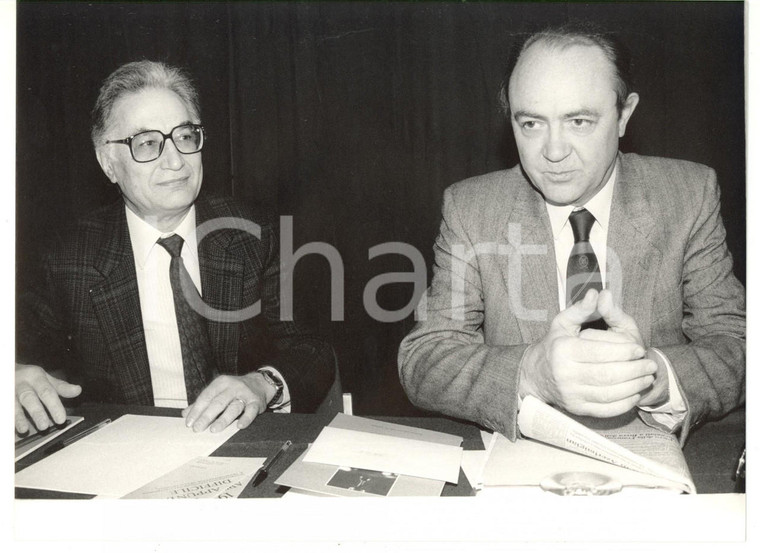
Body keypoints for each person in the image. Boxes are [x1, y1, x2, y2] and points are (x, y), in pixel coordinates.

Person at [398, 23, 745, 445]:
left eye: (578, 121)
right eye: (531, 124)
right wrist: (532, 372)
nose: (554, 151)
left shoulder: (687, 195)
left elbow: (737, 343)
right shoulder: (471, 209)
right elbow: (425, 359)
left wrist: (652, 375)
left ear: (623, 115)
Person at [16, 60, 335, 435]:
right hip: (124, 456)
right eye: (147, 143)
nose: (175, 160)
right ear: (108, 163)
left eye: (185, 136)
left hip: (242, 443)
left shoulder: (254, 233)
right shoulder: (67, 259)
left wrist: (261, 384)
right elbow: (18, 348)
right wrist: (15, 374)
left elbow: (312, 350)